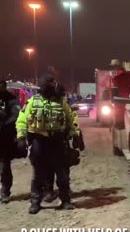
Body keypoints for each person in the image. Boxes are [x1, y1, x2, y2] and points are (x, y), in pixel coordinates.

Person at [16, 74, 81, 214]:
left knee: (62, 174)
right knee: (38, 175)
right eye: (49, 84)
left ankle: (66, 201)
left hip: (57, 142)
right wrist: (21, 137)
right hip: (39, 142)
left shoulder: (61, 102)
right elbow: (21, 120)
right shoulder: (33, 101)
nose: (52, 86)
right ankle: (35, 202)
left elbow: (71, 119)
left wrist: (76, 135)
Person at [0, 80, 20, 204]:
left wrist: (4, 125)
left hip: (4, 137)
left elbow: (16, 114)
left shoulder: (11, 98)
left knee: (4, 165)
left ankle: (5, 191)